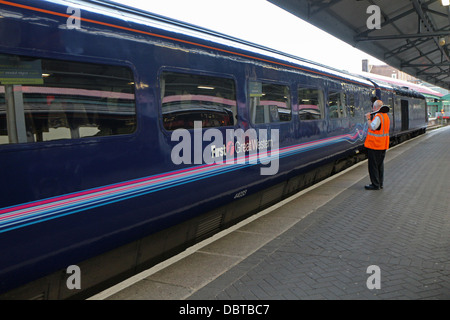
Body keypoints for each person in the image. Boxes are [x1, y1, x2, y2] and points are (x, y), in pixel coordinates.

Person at [364, 100, 390, 190]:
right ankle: (380, 183)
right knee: (380, 165)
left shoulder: (378, 116)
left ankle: (375, 184)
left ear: (376, 107)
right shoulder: (385, 116)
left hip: (375, 145)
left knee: (373, 165)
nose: (372, 109)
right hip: (382, 145)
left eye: (373, 107)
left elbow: (372, 127)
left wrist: (368, 119)